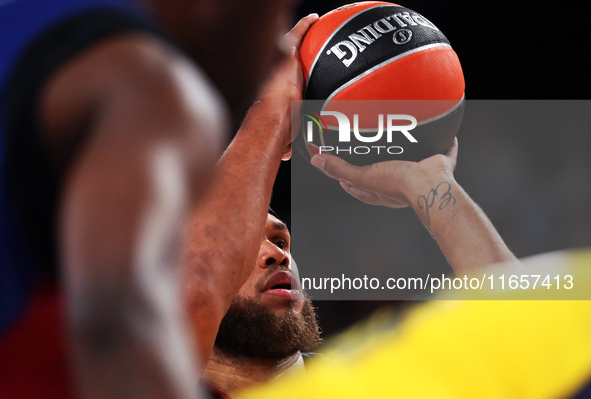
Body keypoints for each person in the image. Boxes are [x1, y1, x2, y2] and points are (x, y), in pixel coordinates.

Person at [0, 0, 313, 398]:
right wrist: (271, 112)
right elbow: (119, 321)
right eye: (275, 15)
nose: (281, 51)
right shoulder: (147, 82)